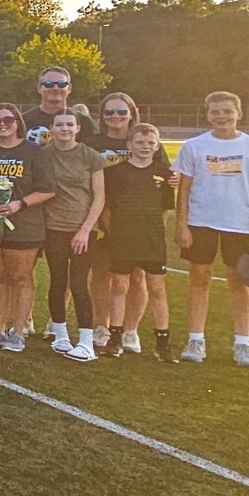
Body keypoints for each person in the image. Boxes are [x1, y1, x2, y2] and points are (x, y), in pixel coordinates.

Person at [174, 91, 249, 367]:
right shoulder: (193, 146)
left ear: (239, 113)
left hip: (240, 225)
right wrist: (181, 225)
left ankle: (243, 344)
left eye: (227, 111)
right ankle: (196, 339)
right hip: (201, 222)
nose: (222, 117)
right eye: (215, 112)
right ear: (207, 115)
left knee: (240, 281)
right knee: (199, 277)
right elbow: (183, 190)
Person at [86, 92, 165, 355]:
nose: (116, 117)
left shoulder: (146, 139)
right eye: (109, 112)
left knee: (138, 276)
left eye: (122, 112)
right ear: (102, 116)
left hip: (137, 223)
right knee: (102, 273)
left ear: (132, 113)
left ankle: (130, 329)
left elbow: (164, 177)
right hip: (102, 216)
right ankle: (102, 325)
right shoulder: (93, 142)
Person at [0, 103, 53, 351]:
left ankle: (18, 332)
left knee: (20, 278)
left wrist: (20, 204)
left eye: (8, 119)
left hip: (24, 225)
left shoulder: (35, 152)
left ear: (18, 122)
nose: (3, 124)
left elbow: (48, 190)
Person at [40, 110, 109, 361]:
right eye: (60, 124)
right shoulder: (44, 155)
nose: (65, 129)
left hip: (82, 229)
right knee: (57, 280)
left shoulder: (90, 156)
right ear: (52, 127)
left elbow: (99, 197)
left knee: (79, 284)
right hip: (53, 228)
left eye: (70, 124)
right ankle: (60, 335)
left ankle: (86, 342)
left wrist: (85, 229)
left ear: (78, 127)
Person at [104, 123, 176, 361]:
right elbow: (107, 207)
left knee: (156, 288)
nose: (145, 147)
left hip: (152, 240)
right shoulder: (115, 173)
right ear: (129, 145)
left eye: (150, 143)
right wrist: (112, 232)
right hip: (123, 238)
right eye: (139, 143)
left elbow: (165, 209)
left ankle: (162, 342)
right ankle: (115, 337)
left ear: (156, 146)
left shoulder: (164, 175)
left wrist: (154, 232)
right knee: (120, 287)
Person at [23, 65, 96, 146]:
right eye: (48, 84)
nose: (55, 88)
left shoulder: (85, 122)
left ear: (69, 88)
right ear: (39, 88)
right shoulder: (23, 121)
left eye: (61, 84)